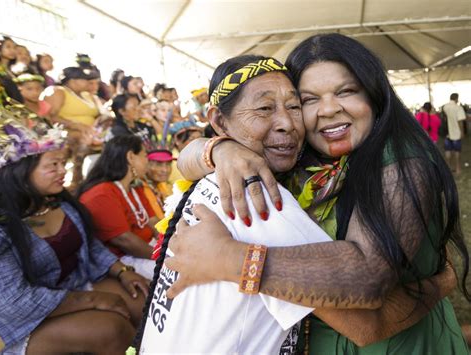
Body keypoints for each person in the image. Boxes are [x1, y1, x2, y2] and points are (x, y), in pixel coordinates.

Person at [135, 55, 459, 354]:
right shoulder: (261, 202)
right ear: (219, 121)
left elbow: (190, 160)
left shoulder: (206, 181)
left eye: (295, 106)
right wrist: (439, 284)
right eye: (264, 109)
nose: (287, 124)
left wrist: (217, 149)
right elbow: (366, 324)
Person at [0, 104, 149, 354]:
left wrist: (122, 271)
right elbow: (16, 303)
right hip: (20, 325)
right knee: (111, 330)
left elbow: (91, 246)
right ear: (21, 173)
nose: (62, 172)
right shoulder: (1, 227)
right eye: (53, 165)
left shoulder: (57, 202)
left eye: (62, 164)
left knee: (141, 300)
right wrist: (92, 299)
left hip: (69, 289)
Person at [78, 135, 158, 279]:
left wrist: (171, 245)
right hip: (126, 260)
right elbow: (125, 241)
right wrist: (164, 256)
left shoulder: (135, 188)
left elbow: (153, 222)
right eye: (145, 155)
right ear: (130, 157)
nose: (147, 161)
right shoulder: (101, 194)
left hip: (150, 250)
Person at [42, 66, 100, 189]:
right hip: (65, 131)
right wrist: (75, 125)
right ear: (72, 80)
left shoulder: (87, 95)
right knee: (83, 140)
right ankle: (75, 181)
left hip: (91, 131)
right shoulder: (58, 91)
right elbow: (49, 116)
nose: (87, 82)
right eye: (84, 79)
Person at [443, 93, 467, 174]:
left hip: (447, 133)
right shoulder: (458, 108)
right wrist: (462, 132)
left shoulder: (445, 107)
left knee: (448, 150)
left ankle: (448, 168)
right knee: (457, 151)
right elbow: (460, 121)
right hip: (456, 133)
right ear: (456, 98)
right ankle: (458, 168)